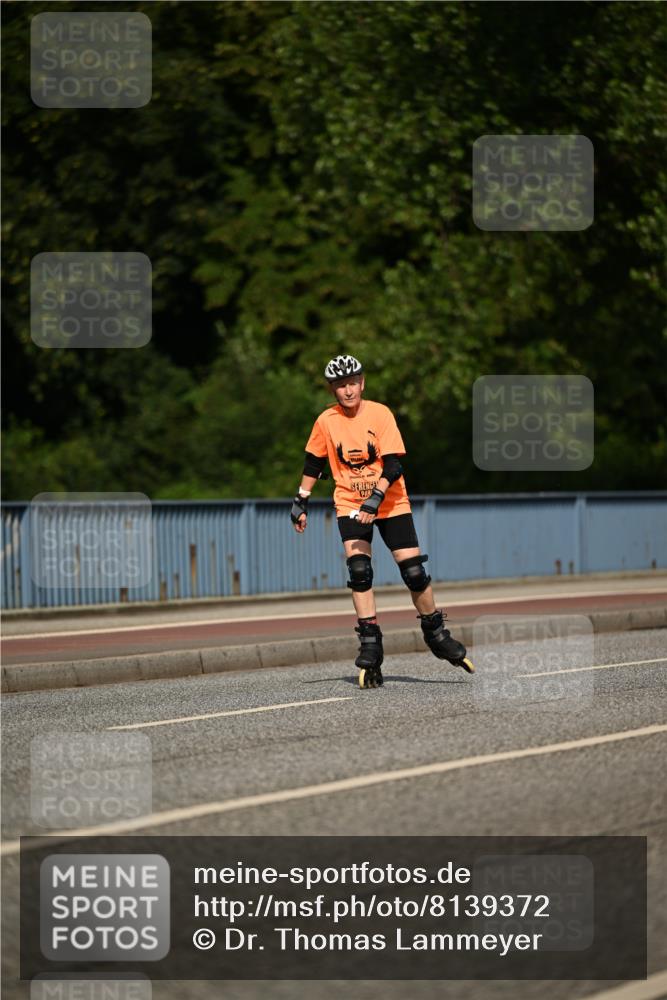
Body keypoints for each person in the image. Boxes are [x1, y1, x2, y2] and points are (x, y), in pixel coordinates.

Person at [290, 353, 474, 689]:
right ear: (332, 389)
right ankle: (371, 644)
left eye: (352, 383)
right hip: (349, 502)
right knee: (359, 571)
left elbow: (393, 466)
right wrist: (301, 500)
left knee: (414, 572)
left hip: (390, 503)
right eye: (340, 385)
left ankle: (435, 631)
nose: (347, 390)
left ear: (362, 382)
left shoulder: (380, 414)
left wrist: (375, 499)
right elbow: (313, 462)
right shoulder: (326, 421)